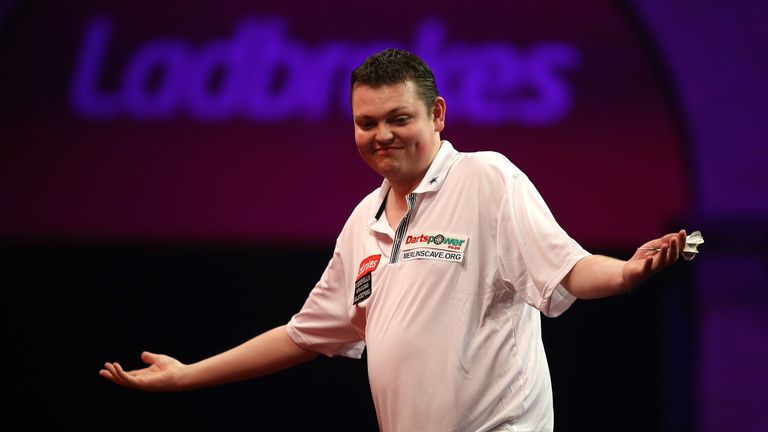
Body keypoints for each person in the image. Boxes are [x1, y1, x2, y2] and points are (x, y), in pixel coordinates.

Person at [100, 48, 688, 432]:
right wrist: (186, 376)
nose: (381, 135)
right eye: (365, 122)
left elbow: (569, 269)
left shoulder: (486, 179)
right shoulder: (364, 221)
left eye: (398, 118)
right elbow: (303, 334)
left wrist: (628, 273)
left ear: (436, 115)